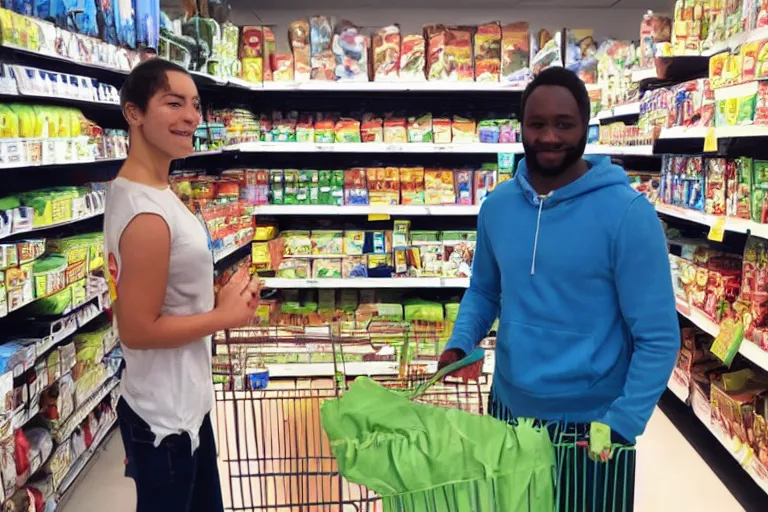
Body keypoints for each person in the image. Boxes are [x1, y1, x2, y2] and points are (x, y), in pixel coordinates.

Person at [438, 67, 680, 510]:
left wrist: (624, 421)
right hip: (509, 410)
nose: (549, 136)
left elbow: (659, 336)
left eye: (564, 124)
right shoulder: (497, 206)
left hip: (593, 423)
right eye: (538, 124)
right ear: (522, 128)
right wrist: (459, 343)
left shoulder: (628, 214)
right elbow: (484, 291)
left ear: (585, 127)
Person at [103, 58, 260, 512]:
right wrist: (222, 316)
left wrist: (215, 299)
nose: (191, 117)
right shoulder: (149, 213)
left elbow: (164, 297)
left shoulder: (147, 189)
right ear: (134, 113)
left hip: (179, 409)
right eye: (173, 103)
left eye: (194, 104)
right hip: (166, 423)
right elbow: (137, 329)